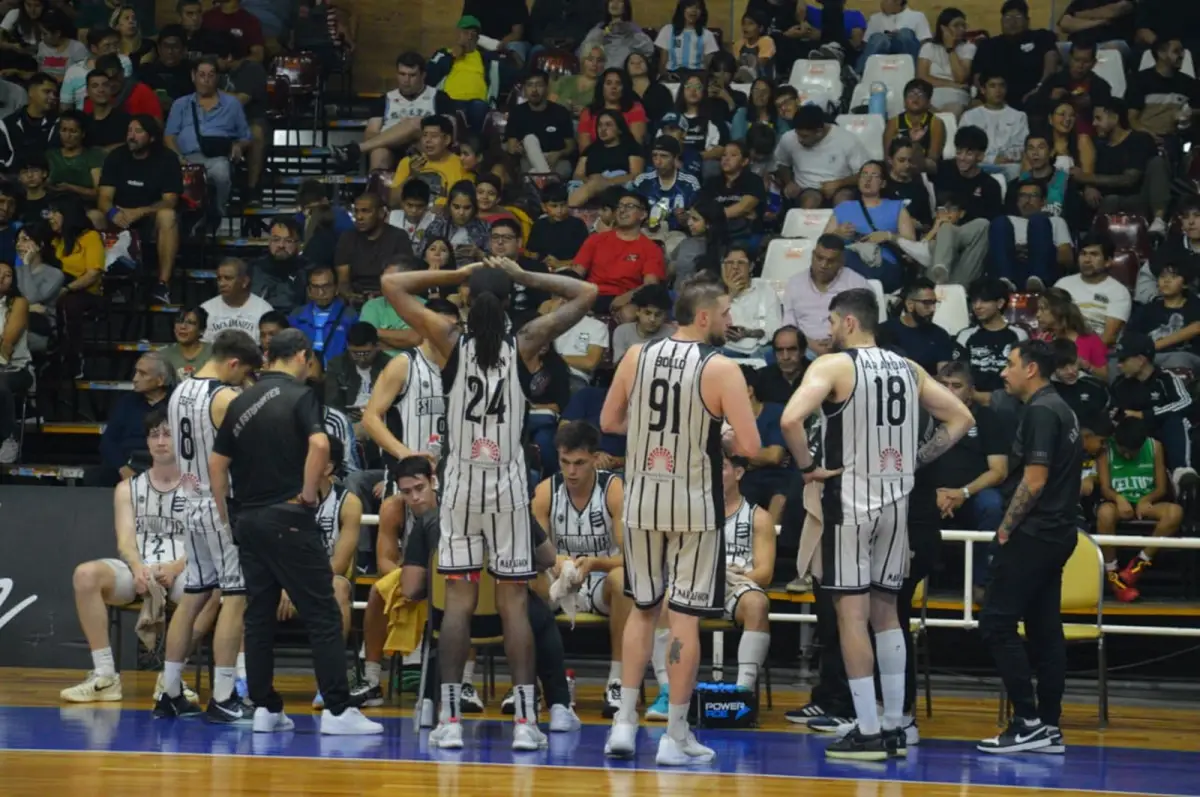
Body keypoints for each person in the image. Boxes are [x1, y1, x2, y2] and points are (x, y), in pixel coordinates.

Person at [380, 255, 599, 751]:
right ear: (508, 304)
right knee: (514, 605)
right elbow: (587, 294)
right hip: (507, 487)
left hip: (459, 487)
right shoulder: (523, 344)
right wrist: (524, 275)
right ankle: (525, 722)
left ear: (466, 300)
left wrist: (457, 276)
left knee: (457, 604)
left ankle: (450, 717)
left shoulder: (448, 340)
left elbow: (392, 282)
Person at [779, 287, 973, 760]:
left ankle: (866, 727)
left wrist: (807, 468)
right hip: (897, 503)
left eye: (830, 323)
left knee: (851, 613)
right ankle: (898, 724)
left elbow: (789, 420)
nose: (826, 332)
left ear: (847, 322)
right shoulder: (908, 368)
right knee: (888, 613)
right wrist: (916, 459)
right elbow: (961, 418)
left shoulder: (832, 366)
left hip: (851, 502)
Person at [599, 278, 762, 766]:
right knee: (685, 618)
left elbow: (609, 422)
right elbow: (751, 449)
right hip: (694, 505)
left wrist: (654, 430)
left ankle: (624, 723)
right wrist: (723, 433)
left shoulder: (636, 355)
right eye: (727, 311)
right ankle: (675, 734)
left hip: (642, 500)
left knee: (643, 610)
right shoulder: (722, 368)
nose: (732, 319)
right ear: (705, 316)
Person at [206, 327, 379, 734]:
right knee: (321, 611)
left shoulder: (239, 399)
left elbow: (217, 465)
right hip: (287, 514)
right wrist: (305, 494)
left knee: (259, 614)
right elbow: (320, 447)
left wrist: (225, 513)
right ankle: (338, 710)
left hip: (247, 518)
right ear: (301, 356)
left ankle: (265, 708)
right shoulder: (302, 397)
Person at [393, 454, 583, 732]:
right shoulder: (515, 515)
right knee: (541, 619)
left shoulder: (430, 521)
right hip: (507, 616)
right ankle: (558, 707)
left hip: (452, 618)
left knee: (436, 622)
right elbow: (548, 558)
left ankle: (435, 707)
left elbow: (410, 588)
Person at [60, 407, 215, 702]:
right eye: (154, 434)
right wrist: (136, 567)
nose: (160, 441)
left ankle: (170, 678)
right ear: (146, 442)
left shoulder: (198, 486)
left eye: (167, 433)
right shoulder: (127, 488)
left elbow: (205, 541)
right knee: (85, 574)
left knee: (215, 587)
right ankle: (105, 676)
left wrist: (176, 566)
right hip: (138, 572)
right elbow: (126, 540)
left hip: (185, 571)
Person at [977, 339, 1082, 755]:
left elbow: (1034, 482)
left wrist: (1004, 531)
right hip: (1059, 533)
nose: (1004, 372)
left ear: (1032, 369)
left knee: (997, 624)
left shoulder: (1041, 410)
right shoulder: (1063, 407)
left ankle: (1027, 721)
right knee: (1043, 629)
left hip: (1035, 534)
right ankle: (1049, 725)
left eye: (1010, 363)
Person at [155, 330, 261, 723]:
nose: (244, 380)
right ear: (234, 363)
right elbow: (248, 454)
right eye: (244, 372)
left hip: (190, 499)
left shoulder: (178, 391)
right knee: (236, 595)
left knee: (195, 594)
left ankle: (168, 692)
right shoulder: (225, 397)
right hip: (221, 504)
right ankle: (223, 695)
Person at [530, 421, 629, 716]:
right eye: (565, 462)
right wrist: (556, 561)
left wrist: (597, 562)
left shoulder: (614, 490)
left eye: (580, 463)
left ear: (596, 459)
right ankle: (530, 683)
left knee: (624, 580)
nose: (571, 471)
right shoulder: (547, 491)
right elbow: (533, 553)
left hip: (600, 577)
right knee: (526, 581)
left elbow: (633, 556)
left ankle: (617, 682)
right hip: (559, 577)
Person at [928, 362, 1010, 596]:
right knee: (905, 500)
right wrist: (933, 492)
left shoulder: (986, 418)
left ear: (970, 390)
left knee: (992, 505)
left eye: (956, 386)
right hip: (932, 492)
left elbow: (999, 470)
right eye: (943, 385)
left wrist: (963, 493)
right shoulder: (923, 416)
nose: (948, 390)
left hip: (972, 494)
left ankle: (981, 582)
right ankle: (913, 581)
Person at [361, 297, 457, 493]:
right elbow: (370, 418)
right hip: (406, 480)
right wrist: (405, 454)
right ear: (424, 327)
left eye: (453, 328)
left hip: (452, 478)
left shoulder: (465, 367)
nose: (447, 333)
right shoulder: (404, 364)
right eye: (441, 326)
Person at [1096, 416, 1183, 603]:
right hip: (1119, 504)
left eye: (1133, 453)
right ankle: (1114, 578)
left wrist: (1147, 499)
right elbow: (1104, 488)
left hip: (1146, 503)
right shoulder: (1105, 449)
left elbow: (1161, 487)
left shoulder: (1155, 446)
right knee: (1104, 513)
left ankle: (1136, 567)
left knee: (1175, 512)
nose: (1128, 456)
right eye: (1124, 452)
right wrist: (1119, 498)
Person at [98, 115, 181, 305]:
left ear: (151, 137)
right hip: (119, 217)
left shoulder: (167, 159)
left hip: (151, 219)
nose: (131, 136)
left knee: (168, 216)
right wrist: (113, 213)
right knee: (95, 216)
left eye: (138, 131)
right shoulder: (117, 156)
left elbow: (170, 201)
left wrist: (141, 211)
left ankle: (163, 284)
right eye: (129, 131)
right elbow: (103, 197)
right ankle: (100, 281)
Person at [568, 190, 665, 321]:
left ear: (643, 214)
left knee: (629, 314)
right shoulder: (595, 240)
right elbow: (575, 273)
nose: (622, 210)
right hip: (592, 295)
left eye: (630, 206)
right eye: (619, 206)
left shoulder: (651, 248)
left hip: (627, 297)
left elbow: (650, 285)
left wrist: (627, 297)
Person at [1111, 333, 1195, 479]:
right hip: (1135, 438)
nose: (1118, 365)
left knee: (1176, 421)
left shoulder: (1166, 378)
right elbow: (1112, 413)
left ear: (1141, 360)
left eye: (1123, 360)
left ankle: (1181, 475)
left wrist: (1146, 415)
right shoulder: (1119, 384)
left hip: (1164, 433)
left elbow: (1185, 402)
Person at [782, 235, 868, 357]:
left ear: (841, 261)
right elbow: (788, 325)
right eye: (819, 258)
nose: (823, 265)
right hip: (803, 349)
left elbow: (865, 325)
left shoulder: (856, 283)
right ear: (812, 255)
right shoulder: (795, 283)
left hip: (846, 349)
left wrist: (839, 341)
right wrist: (809, 343)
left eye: (830, 261)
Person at [774, 105, 868, 210]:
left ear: (819, 132)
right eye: (798, 134)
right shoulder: (788, 138)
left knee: (843, 201)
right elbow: (782, 164)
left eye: (805, 136)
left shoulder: (846, 140)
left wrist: (839, 183)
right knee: (810, 201)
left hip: (841, 187)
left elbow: (864, 173)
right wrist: (789, 182)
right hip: (806, 189)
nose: (799, 140)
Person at [971, 0, 1058, 112]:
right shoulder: (988, 45)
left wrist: (1039, 88)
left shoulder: (1041, 37)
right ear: (1001, 21)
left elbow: (1051, 64)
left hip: (1033, 96)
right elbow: (977, 76)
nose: (1012, 22)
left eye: (1018, 16)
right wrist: (990, 98)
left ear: (1027, 21)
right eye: (1007, 17)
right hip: (996, 99)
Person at [989, 180, 1074, 292]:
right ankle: (1005, 282)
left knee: (1038, 220)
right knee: (999, 221)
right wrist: (1012, 251)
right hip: (1012, 266)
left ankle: (1038, 279)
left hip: (1046, 269)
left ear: (1043, 201)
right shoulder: (1007, 221)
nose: (1027, 200)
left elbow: (1066, 258)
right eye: (1022, 196)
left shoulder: (1056, 221)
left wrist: (1035, 250)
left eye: (1033, 196)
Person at [955, 278, 1029, 402]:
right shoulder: (965, 336)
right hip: (973, 404)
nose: (977, 306)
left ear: (1000, 303)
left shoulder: (1019, 336)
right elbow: (959, 376)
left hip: (1011, 404)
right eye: (974, 301)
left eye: (984, 301)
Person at [333, 191, 413, 300]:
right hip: (355, 299)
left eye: (365, 211)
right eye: (356, 211)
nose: (359, 217)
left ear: (380, 213)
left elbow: (405, 279)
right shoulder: (347, 238)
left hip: (390, 298)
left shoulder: (399, 237)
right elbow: (343, 282)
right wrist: (352, 297)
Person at [1052, 235, 1130, 347]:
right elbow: (1050, 321)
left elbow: (1108, 338)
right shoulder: (1062, 284)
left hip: (1097, 352)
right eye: (1083, 254)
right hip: (1061, 347)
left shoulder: (1118, 291)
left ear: (1107, 261)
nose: (1087, 260)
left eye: (1094, 254)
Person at [1126, 256, 1200, 371]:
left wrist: (1152, 347)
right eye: (1162, 277)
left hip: (1186, 356)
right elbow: (1130, 337)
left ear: (1185, 284)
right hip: (1150, 358)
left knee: (1177, 360)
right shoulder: (1147, 310)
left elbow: (1196, 328)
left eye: (1173, 277)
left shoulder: (1195, 305)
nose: (1166, 281)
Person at [504, 69, 576, 180]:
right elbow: (511, 146)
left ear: (547, 88)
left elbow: (570, 146)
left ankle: (541, 178)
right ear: (524, 89)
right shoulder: (517, 113)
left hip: (556, 161)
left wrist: (558, 154)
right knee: (530, 139)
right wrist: (518, 149)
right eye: (530, 85)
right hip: (528, 160)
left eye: (539, 85)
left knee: (533, 176)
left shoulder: (560, 112)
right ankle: (548, 179)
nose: (534, 90)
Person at [388, 115, 470, 207]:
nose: (427, 140)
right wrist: (411, 175)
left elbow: (466, 203)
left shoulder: (461, 163)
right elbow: (392, 202)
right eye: (424, 135)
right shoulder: (408, 163)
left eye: (434, 136)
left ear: (447, 139)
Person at [879, 279, 955, 375]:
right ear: (910, 305)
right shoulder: (883, 331)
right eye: (927, 303)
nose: (933, 309)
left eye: (934, 303)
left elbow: (944, 376)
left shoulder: (940, 335)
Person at [959, 72, 1029, 176]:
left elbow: (1022, 146)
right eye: (992, 86)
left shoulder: (1019, 116)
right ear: (983, 90)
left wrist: (1006, 157)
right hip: (979, 164)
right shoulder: (970, 116)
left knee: (1016, 169)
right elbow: (964, 146)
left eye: (1002, 85)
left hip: (1009, 165)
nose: (998, 90)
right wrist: (992, 158)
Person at [289, 266, 358, 366]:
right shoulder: (296, 315)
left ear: (336, 288)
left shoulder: (349, 316)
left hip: (339, 374)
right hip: (304, 373)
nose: (321, 292)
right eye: (316, 287)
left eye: (326, 286)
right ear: (309, 291)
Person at [917, 8, 976, 116]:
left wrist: (950, 49)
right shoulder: (929, 47)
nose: (961, 29)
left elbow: (961, 77)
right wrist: (951, 84)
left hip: (956, 96)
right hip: (931, 94)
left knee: (953, 112)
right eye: (956, 25)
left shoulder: (968, 48)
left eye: (963, 25)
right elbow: (922, 77)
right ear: (943, 28)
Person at [0, 260, 30, 463]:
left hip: (14, 369)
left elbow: (7, 345)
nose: (1, 278)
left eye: (8, 274)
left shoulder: (18, 303)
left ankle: (7, 437)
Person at [201, 257, 273, 341]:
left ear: (245, 281)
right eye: (219, 278)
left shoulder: (264, 310)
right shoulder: (205, 310)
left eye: (228, 278)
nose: (222, 284)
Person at [860, 0, 930, 73]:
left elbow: (925, 43)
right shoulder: (875, 18)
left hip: (906, 57)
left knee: (905, 34)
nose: (882, 3)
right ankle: (858, 74)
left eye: (886, 0)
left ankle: (915, 73)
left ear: (898, 2)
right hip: (882, 58)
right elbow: (866, 44)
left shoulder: (917, 16)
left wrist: (899, 37)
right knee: (879, 38)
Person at [161, 305, 213, 380]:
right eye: (179, 321)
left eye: (190, 323)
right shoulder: (163, 356)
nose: (183, 326)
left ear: (201, 330)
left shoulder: (215, 354)